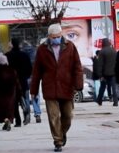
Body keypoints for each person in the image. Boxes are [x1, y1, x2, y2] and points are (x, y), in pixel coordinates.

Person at [30, 23, 83, 152]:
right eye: (53, 37)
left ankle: (62, 133)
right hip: (50, 88)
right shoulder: (42, 49)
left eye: (58, 36)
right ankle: (58, 141)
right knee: (53, 117)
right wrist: (34, 90)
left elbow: (77, 67)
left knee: (68, 116)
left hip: (66, 86)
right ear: (49, 36)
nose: (56, 39)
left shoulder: (70, 47)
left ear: (61, 35)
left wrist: (78, 85)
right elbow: (37, 71)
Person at [0, 54, 21, 131]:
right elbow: (17, 82)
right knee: (9, 108)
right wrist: (19, 92)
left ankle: (5, 120)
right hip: (10, 94)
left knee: (1, 109)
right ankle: (9, 120)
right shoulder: (12, 70)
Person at [6, 37, 33, 126]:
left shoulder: (8, 55)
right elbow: (30, 68)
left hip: (12, 82)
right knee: (25, 99)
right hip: (23, 81)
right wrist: (26, 76)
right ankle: (26, 114)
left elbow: (5, 69)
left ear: (12, 44)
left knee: (14, 102)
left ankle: (18, 121)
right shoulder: (24, 55)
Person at [22, 40, 43, 123]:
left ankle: (27, 114)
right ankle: (37, 114)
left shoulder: (22, 55)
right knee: (35, 96)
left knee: (26, 97)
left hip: (25, 78)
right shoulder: (35, 54)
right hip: (34, 78)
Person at [95, 38, 117, 106]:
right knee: (114, 87)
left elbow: (100, 64)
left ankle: (99, 100)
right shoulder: (114, 51)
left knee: (102, 87)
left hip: (105, 73)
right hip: (113, 72)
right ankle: (115, 101)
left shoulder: (102, 51)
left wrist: (100, 75)